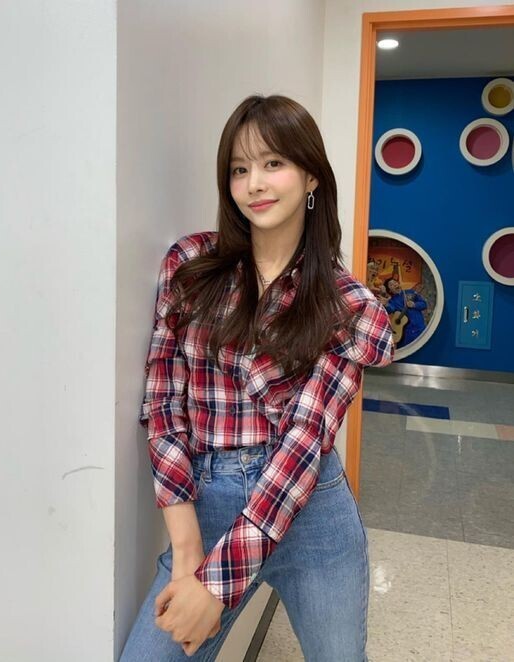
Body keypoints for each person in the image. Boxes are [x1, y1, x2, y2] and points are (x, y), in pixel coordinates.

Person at [119, 94, 394, 662]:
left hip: (310, 509)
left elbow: (304, 442)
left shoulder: (348, 306)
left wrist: (216, 588)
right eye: (239, 169)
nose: (255, 184)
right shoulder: (192, 267)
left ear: (311, 175)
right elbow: (164, 404)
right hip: (207, 501)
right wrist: (187, 548)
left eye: (273, 163)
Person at [382, 278, 427, 348]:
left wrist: (414, 305)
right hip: (406, 334)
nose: (394, 284)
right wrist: (386, 304)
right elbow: (391, 309)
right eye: (391, 285)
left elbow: (424, 304)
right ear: (389, 290)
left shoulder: (411, 292)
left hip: (420, 328)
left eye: (395, 282)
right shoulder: (392, 301)